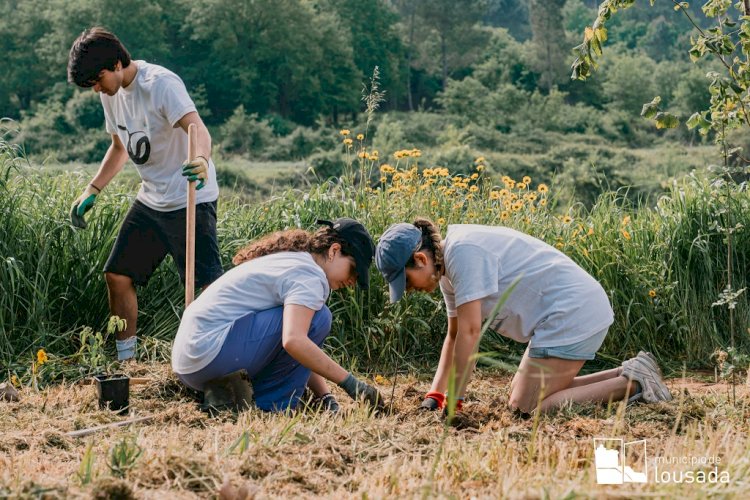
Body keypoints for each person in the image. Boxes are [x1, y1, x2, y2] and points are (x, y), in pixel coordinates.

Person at [375, 219, 672, 415]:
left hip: (572, 313)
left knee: (528, 409)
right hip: (557, 318)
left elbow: (470, 333)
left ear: (421, 259)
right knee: (526, 398)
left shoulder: (462, 254)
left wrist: (456, 403)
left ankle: (634, 385)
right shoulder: (447, 271)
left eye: (408, 281)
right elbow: (453, 336)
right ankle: (630, 371)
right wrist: (435, 395)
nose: (411, 290)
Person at [67, 27, 223, 361]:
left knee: (206, 289)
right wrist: (92, 190)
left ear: (117, 63)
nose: (96, 88)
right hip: (151, 200)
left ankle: (208, 364)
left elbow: (198, 129)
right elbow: (119, 147)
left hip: (189, 197)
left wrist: (200, 160)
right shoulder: (110, 95)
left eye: (97, 79)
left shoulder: (160, 84)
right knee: (117, 275)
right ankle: (128, 361)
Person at [171, 218, 385, 413]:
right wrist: (351, 384)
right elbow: (295, 341)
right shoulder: (310, 275)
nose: (352, 281)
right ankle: (272, 406)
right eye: (353, 271)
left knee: (313, 320)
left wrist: (325, 395)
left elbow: (300, 346)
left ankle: (230, 394)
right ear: (334, 251)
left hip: (191, 361)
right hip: (209, 353)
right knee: (320, 319)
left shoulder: (292, 260)